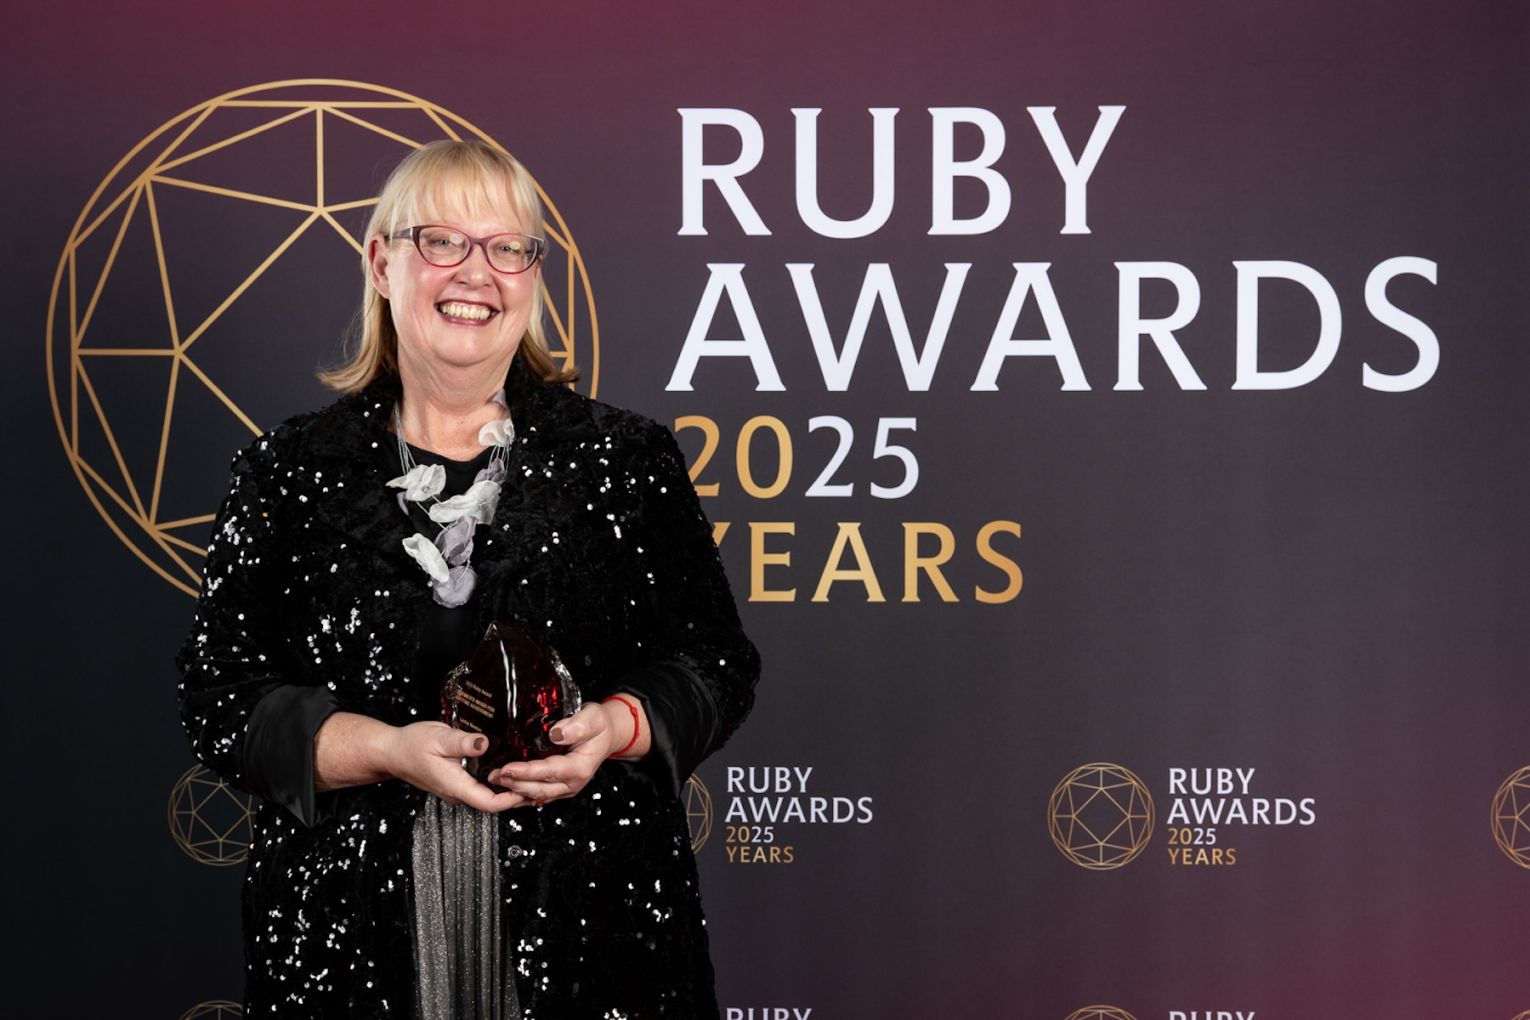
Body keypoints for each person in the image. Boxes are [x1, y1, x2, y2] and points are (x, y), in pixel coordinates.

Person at [177, 139, 758, 1018]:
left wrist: (615, 727)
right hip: (347, 936)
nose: (476, 273)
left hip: (593, 922)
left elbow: (716, 661)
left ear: (532, 274)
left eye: (507, 247)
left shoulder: (623, 459)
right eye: (441, 241)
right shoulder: (288, 470)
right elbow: (220, 698)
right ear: (381, 262)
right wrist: (382, 750)